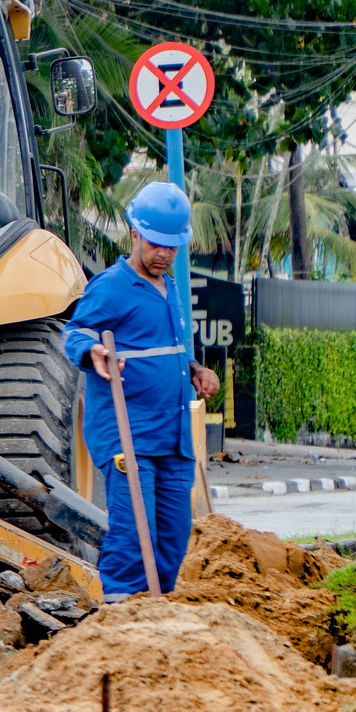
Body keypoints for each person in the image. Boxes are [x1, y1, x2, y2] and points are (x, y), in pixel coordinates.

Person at [62, 181, 221, 601]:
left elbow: (169, 350)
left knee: (173, 538)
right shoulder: (111, 285)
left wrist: (196, 370)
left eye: (173, 247)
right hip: (127, 434)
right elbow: (74, 331)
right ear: (135, 234)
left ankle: (156, 617)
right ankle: (118, 617)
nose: (165, 254)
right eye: (156, 244)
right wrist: (93, 349)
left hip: (173, 436)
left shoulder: (171, 289)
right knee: (134, 535)